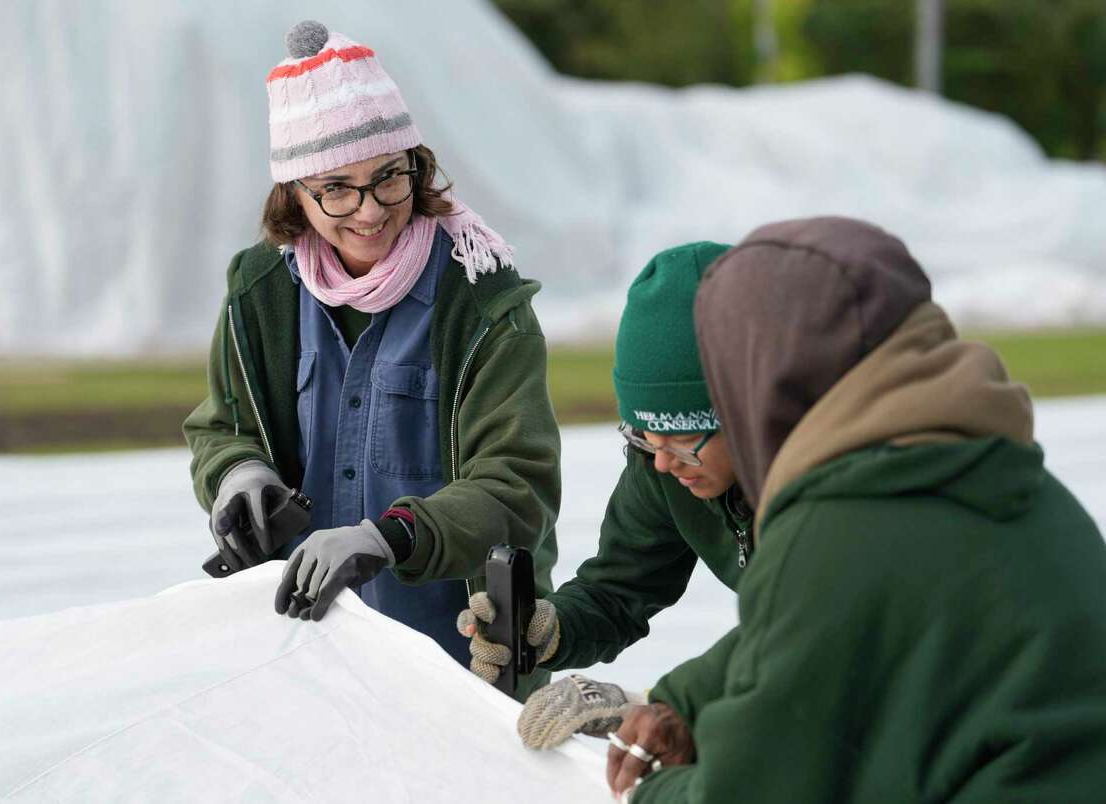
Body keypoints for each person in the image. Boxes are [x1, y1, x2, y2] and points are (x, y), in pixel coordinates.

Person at [608, 216, 1106, 801]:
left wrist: (646, 792)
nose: (664, 464)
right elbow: (821, 629)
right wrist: (685, 702)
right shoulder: (1005, 482)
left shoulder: (841, 529)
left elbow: (756, 790)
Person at [182, 20, 560, 701]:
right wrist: (239, 476)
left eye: (390, 177)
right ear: (294, 192)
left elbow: (516, 490)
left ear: (417, 166)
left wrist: (390, 538)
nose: (370, 210)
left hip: (467, 667)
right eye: (337, 188)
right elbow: (222, 429)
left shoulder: (482, 299)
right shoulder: (260, 292)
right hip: (308, 662)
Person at [457, 241, 755, 741]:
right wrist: (550, 629)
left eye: (681, 441)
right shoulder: (663, 465)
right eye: (642, 436)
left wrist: (653, 707)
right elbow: (622, 588)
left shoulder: (836, 483)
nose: (662, 463)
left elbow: (810, 638)